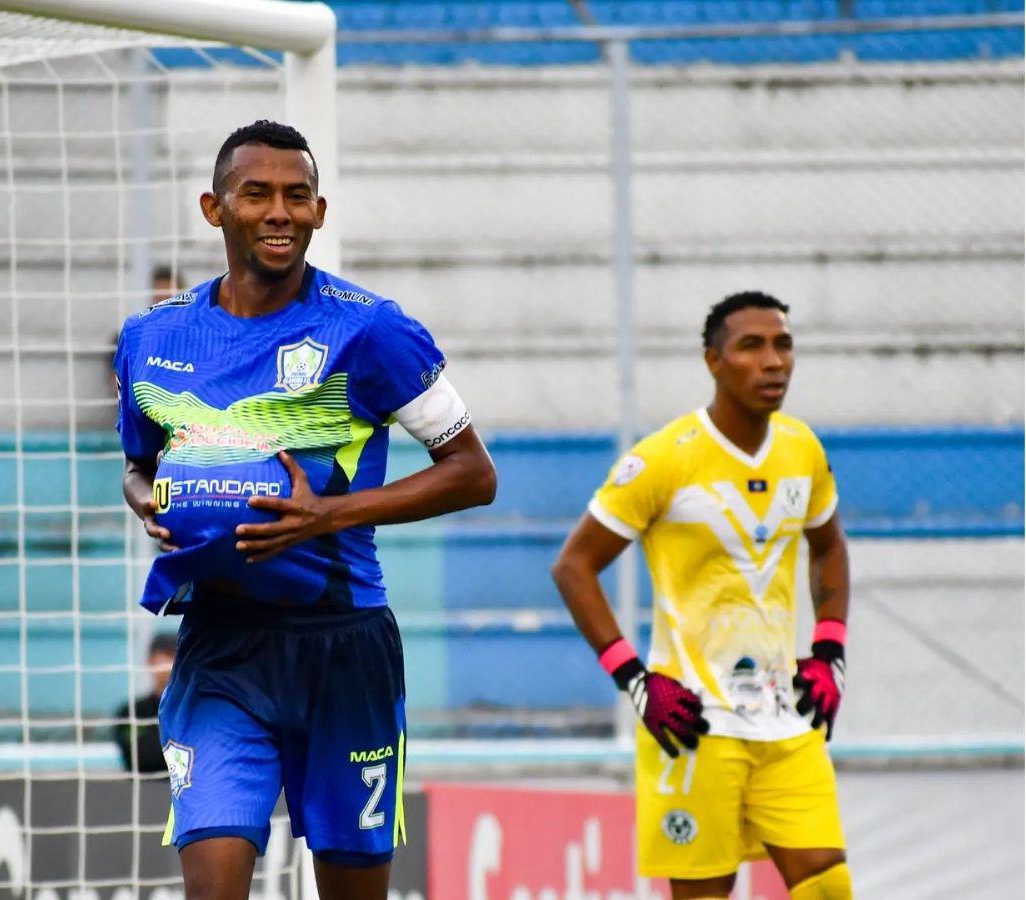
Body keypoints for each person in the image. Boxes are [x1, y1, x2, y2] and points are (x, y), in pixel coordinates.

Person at [113, 119, 496, 900]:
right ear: (214, 209)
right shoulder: (152, 337)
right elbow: (139, 465)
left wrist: (329, 516)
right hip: (220, 647)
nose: (280, 211)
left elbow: (472, 473)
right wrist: (149, 502)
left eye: (298, 196)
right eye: (257, 194)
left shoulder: (371, 330)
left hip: (342, 646)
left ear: (320, 212)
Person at [552, 291, 852, 899]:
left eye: (783, 345)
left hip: (786, 720)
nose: (774, 362)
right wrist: (635, 679)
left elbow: (829, 547)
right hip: (690, 723)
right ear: (713, 361)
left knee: (828, 886)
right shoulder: (664, 459)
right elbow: (574, 566)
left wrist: (829, 650)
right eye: (752, 346)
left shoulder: (802, 450)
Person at [113, 632, 178, 773]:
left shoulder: (199, 710)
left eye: (175, 656)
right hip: (144, 791)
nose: (171, 663)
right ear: (151, 661)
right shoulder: (131, 713)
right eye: (166, 656)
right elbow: (141, 759)